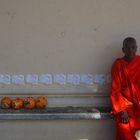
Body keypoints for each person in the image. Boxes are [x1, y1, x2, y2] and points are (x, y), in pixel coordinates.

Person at [110, 37, 140, 140]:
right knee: (124, 132)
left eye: (133, 47)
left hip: (139, 106)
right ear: (123, 50)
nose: (130, 50)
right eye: (127, 48)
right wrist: (122, 110)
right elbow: (115, 90)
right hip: (125, 107)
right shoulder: (118, 65)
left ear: (136, 48)